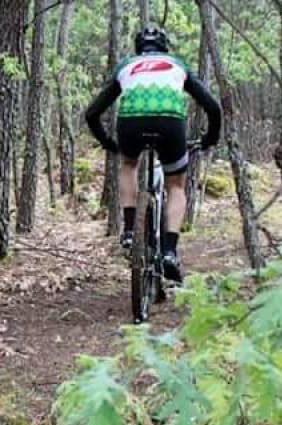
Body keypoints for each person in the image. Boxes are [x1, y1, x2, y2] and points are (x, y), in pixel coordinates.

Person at [85, 26, 221, 282]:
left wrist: (108, 143)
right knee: (176, 186)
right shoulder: (177, 65)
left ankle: (128, 230)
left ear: (139, 49)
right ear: (164, 47)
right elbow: (213, 107)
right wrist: (209, 139)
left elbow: (92, 113)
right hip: (170, 123)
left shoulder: (126, 66)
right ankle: (169, 250)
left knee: (128, 164)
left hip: (131, 124)